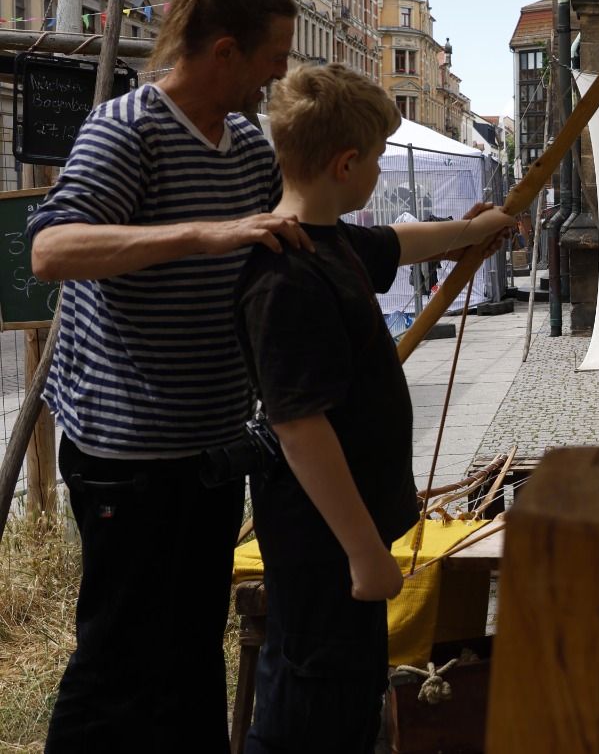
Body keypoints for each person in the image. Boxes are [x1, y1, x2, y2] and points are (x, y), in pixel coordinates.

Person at [28, 0, 303, 753]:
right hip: (127, 455)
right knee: (119, 658)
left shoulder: (248, 145)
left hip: (210, 447)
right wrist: (203, 235)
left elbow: (285, 240)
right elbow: (52, 251)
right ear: (225, 53)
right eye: (272, 63)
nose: (275, 82)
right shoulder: (128, 130)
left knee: (191, 651)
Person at [236, 64, 513, 752]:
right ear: (347, 163)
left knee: (354, 698)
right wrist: (363, 552)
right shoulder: (287, 273)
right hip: (324, 546)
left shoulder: (332, 240)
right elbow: (299, 426)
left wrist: (475, 229)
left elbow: (402, 243)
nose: (382, 168)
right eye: (380, 156)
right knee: (311, 709)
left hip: (351, 537)